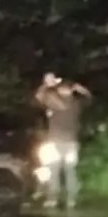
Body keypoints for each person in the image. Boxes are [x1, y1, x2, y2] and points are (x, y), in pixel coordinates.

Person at [34, 73, 91, 208]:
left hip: (55, 141)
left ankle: (53, 199)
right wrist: (80, 88)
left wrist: (47, 84)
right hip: (71, 142)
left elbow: (38, 96)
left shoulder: (53, 101)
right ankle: (71, 200)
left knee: (54, 170)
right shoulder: (77, 103)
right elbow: (89, 98)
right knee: (70, 171)